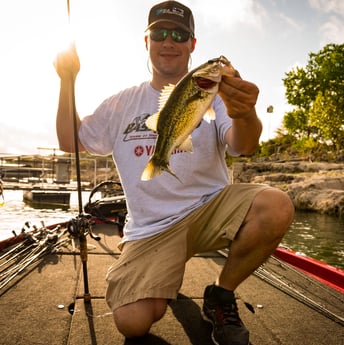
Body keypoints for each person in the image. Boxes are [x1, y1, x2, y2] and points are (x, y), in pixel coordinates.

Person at [54, 1, 294, 344]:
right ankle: (164, 275)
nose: (169, 41)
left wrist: (245, 113)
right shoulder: (122, 102)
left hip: (209, 210)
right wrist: (66, 81)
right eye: (160, 33)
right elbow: (68, 142)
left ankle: (221, 295)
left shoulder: (215, 94)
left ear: (192, 44)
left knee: (277, 205)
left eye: (179, 35)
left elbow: (244, 145)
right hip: (150, 230)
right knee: (132, 323)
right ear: (146, 40)